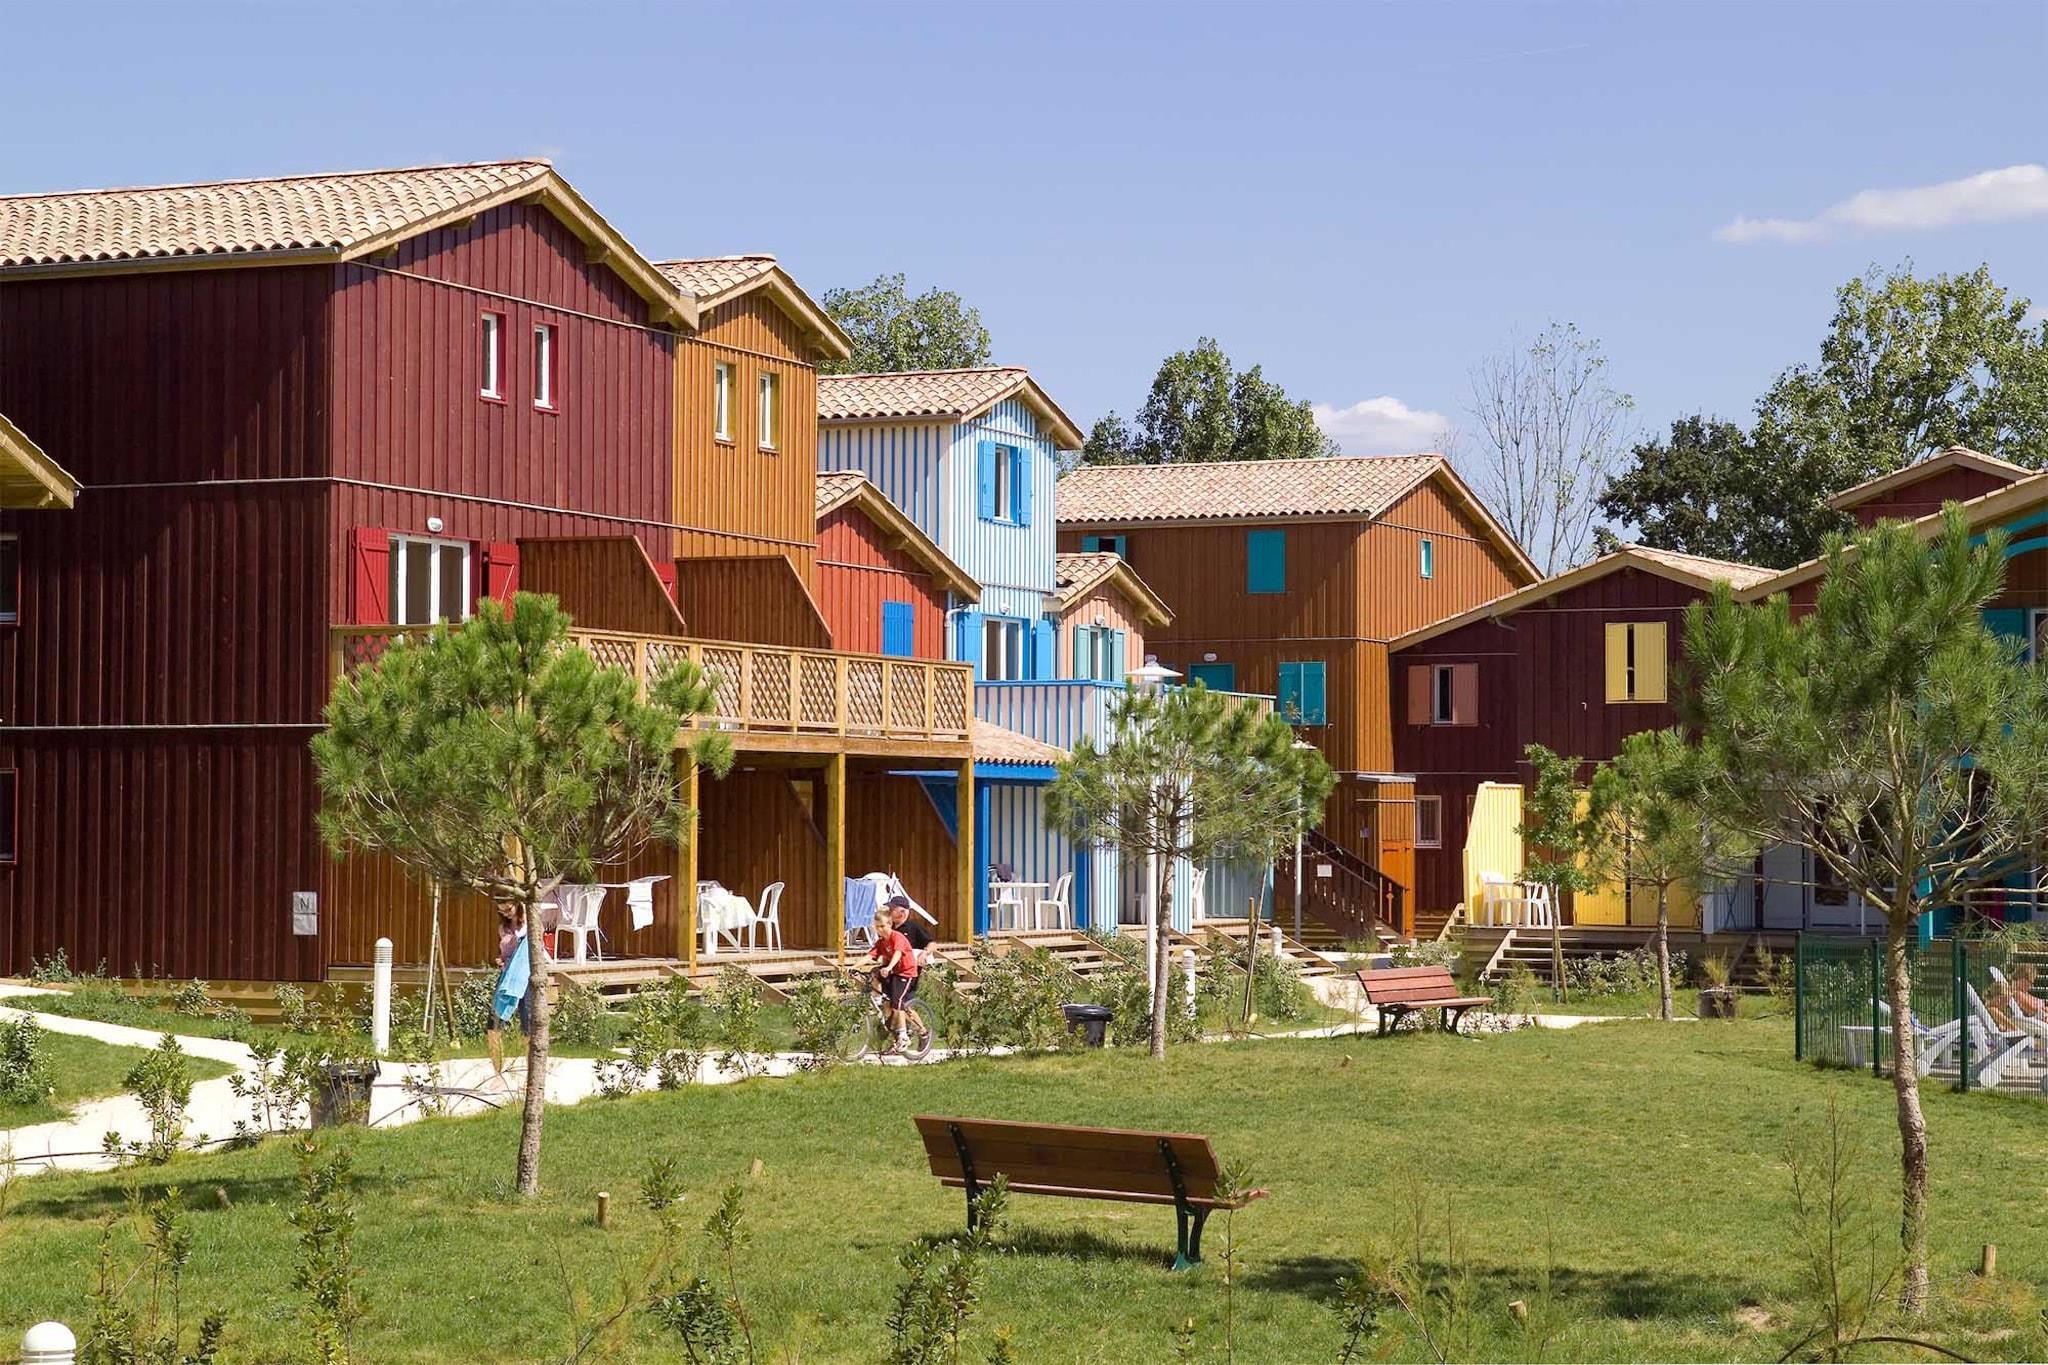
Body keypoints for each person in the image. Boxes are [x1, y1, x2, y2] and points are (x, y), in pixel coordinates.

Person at [865, 900, 925, 1054]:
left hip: (906, 972)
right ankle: (895, 1040)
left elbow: (898, 953)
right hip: (891, 972)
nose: (879, 929)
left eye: (882, 926)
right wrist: (852, 967)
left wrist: (889, 967)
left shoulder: (903, 933)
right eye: (877, 927)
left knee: (899, 1005)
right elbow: (870, 955)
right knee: (890, 1005)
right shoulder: (882, 941)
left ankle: (917, 1033)